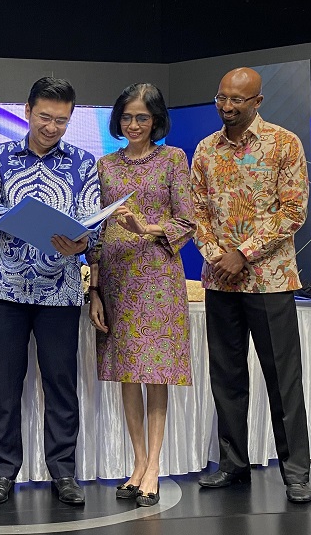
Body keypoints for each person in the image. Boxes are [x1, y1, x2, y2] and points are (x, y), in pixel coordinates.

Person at [191, 67, 311, 503]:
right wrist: (216, 256)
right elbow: (196, 212)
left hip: (270, 281)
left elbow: (293, 211)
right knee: (226, 377)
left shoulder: (284, 143)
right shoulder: (205, 149)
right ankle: (232, 464)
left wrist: (242, 253)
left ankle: (296, 473)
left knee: (283, 379)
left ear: (257, 102)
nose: (226, 106)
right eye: (221, 97)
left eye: (236, 100)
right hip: (220, 283)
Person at [0, 77, 99, 506]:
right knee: (5, 385)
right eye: (45, 117)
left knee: (61, 384)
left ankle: (63, 472)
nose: (51, 127)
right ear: (27, 111)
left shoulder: (83, 162)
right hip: (6, 289)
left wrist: (82, 242)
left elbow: (92, 220)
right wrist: (22, 215)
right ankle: (2, 472)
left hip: (60, 290)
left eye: (61, 121)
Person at [87, 83, 195, 507]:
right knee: (126, 371)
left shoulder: (173, 159)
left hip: (158, 278)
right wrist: (94, 288)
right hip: (116, 278)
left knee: (155, 372)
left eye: (142, 118)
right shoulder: (105, 165)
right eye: (127, 117)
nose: (133, 125)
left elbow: (187, 221)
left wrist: (145, 228)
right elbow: (96, 230)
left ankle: (154, 466)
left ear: (156, 121)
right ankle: (137, 463)